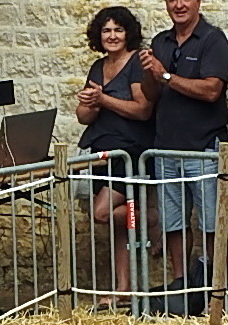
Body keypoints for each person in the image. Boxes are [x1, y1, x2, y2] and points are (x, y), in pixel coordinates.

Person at [137, 0, 228, 294]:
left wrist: (165, 75)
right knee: (173, 222)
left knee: (211, 222)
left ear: (198, 2)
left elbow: (211, 90)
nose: (179, 4)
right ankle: (181, 285)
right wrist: (151, 75)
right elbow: (150, 94)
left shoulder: (213, 39)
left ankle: (215, 286)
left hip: (202, 146)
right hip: (166, 147)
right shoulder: (160, 41)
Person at [75, 5, 153, 303]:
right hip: (101, 153)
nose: (112, 36)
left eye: (118, 30)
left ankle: (151, 219)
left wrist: (103, 99)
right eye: (106, 30)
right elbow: (84, 116)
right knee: (116, 228)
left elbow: (142, 109)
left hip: (129, 152)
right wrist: (89, 102)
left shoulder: (135, 63)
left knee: (102, 212)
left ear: (128, 33)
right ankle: (123, 288)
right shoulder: (98, 67)